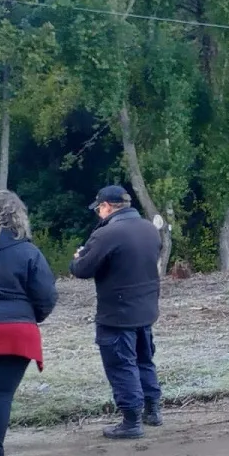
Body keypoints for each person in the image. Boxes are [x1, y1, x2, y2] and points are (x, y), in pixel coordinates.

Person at [0, 190, 58, 456]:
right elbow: (45, 295)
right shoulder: (26, 251)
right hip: (12, 332)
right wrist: (30, 317)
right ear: (18, 216)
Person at [70, 185, 163, 440]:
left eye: (99, 208)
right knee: (144, 359)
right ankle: (152, 409)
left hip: (117, 312)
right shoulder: (149, 229)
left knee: (121, 364)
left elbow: (82, 269)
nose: (99, 213)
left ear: (107, 206)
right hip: (145, 307)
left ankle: (131, 420)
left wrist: (78, 257)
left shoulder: (107, 234)